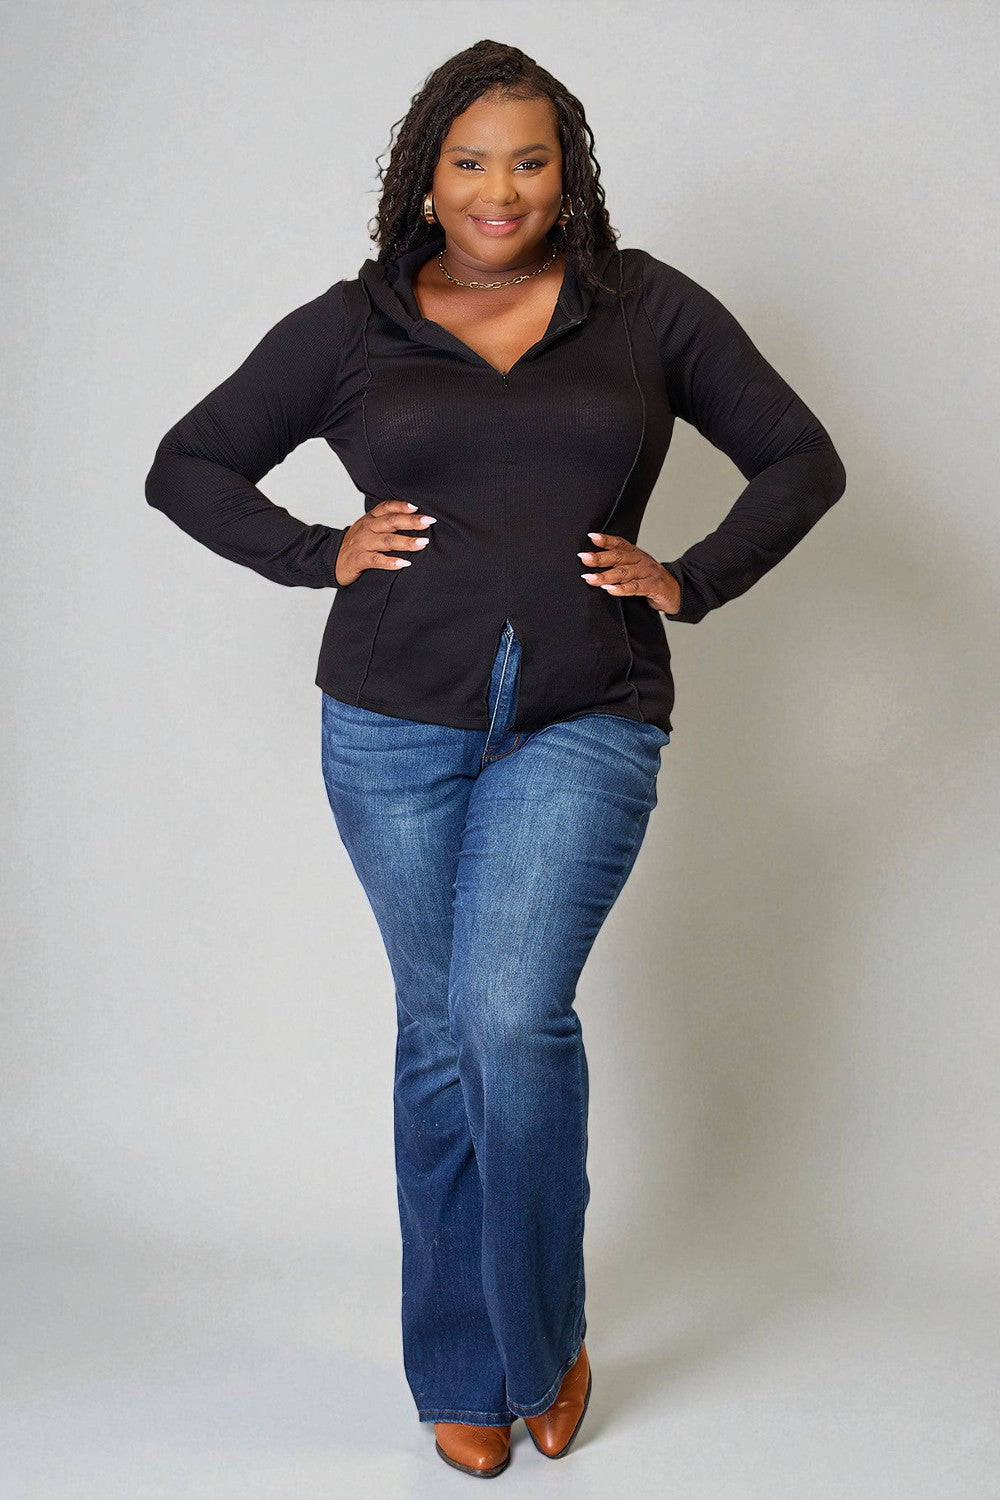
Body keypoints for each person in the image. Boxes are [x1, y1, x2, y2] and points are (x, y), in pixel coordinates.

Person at [145, 39, 846, 1480]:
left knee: (510, 1017)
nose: (500, 190)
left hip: (589, 712)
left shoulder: (643, 306)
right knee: (438, 1032)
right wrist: (312, 551)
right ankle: (461, 1367)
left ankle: (542, 1343)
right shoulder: (356, 327)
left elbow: (801, 458)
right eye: (470, 162)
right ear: (424, 176)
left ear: (566, 169)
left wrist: (692, 578)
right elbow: (190, 461)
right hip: (391, 723)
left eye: (529, 159)